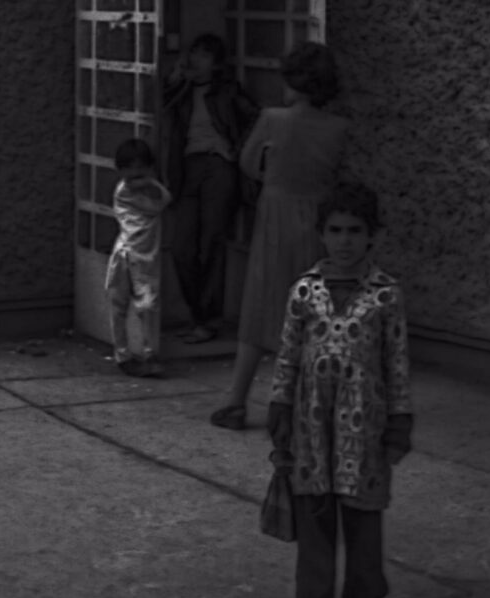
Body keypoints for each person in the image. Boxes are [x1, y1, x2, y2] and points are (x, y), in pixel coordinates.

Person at [267, 182, 414, 598]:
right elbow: (288, 355)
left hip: (364, 430)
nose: (345, 239)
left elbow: (396, 363)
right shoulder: (304, 292)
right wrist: (280, 409)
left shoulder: (386, 295)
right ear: (321, 234)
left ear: (371, 236)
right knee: (315, 514)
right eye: (336, 230)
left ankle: (364, 596)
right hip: (312, 428)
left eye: (355, 230)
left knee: (363, 515)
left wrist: (399, 421)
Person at [211, 42, 349, 430]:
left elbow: (248, 163)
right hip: (318, 218)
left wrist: (272, 176)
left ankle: (237, 400)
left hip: (276, 215)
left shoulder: (273, 119)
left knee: (260, 306)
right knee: (315, 312)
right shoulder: (338, 128)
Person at [163, 33, 259, 343]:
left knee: (211, 242)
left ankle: (208, 319)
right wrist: (177, 79)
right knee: (182, 247)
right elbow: (156, 106)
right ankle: (196, 314)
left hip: (218, 166)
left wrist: (237, 151)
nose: (196, 60)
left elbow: (256, 121)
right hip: (187, 168)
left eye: (204, 55)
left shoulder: (228, 92)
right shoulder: (183, 91)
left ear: (216, 63)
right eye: (194, 53)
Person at [105, 138, 172, 378]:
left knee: (148, 305)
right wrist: (146, 182)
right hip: (127, 252)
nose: (135, 176)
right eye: (130, 171)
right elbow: (158, 203)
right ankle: (123, 354)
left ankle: (149, 353)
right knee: (118, 303)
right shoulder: (124, 192)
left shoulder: (150, 190)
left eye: (140, 170)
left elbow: (162, 200)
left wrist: (149, 182)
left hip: (144, 255)